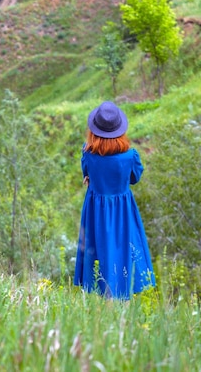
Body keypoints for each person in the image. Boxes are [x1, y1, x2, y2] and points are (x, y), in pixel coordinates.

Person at [74, 100, 155, 299]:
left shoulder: (88, 153)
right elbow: (135, 178)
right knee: (123, 251)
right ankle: (123, 303)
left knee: (99, 250)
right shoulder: (130, 156)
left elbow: (87, 173)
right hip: (123, 212)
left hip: (96, 211)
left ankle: (103, 302)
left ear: (94, 131)